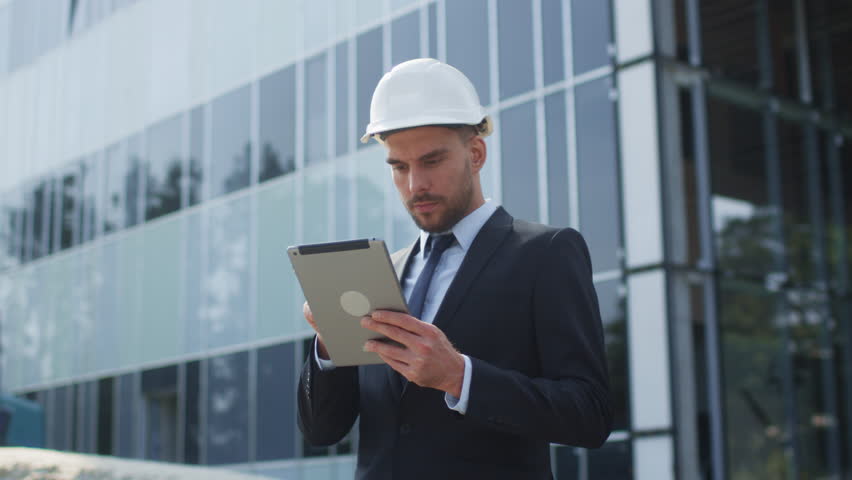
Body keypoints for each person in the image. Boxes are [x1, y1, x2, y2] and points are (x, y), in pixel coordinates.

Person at [297, 58, 612, 479]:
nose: (415, 186)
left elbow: (589, 414)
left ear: (476, 154)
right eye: (399, 167)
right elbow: (322, 431)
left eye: (431, 161)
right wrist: (329, 349)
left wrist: (461, 377)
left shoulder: (546, 253)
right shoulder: (381, 276)